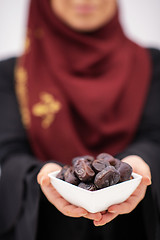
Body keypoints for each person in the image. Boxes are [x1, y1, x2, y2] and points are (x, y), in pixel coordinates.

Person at [0, 0, 160, 239]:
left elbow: (155, 136)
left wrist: (137, 165)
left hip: (132, 227)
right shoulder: (12, 73)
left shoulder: (152, 64)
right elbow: (10, 153)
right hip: (42, 224)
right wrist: (44, 176)